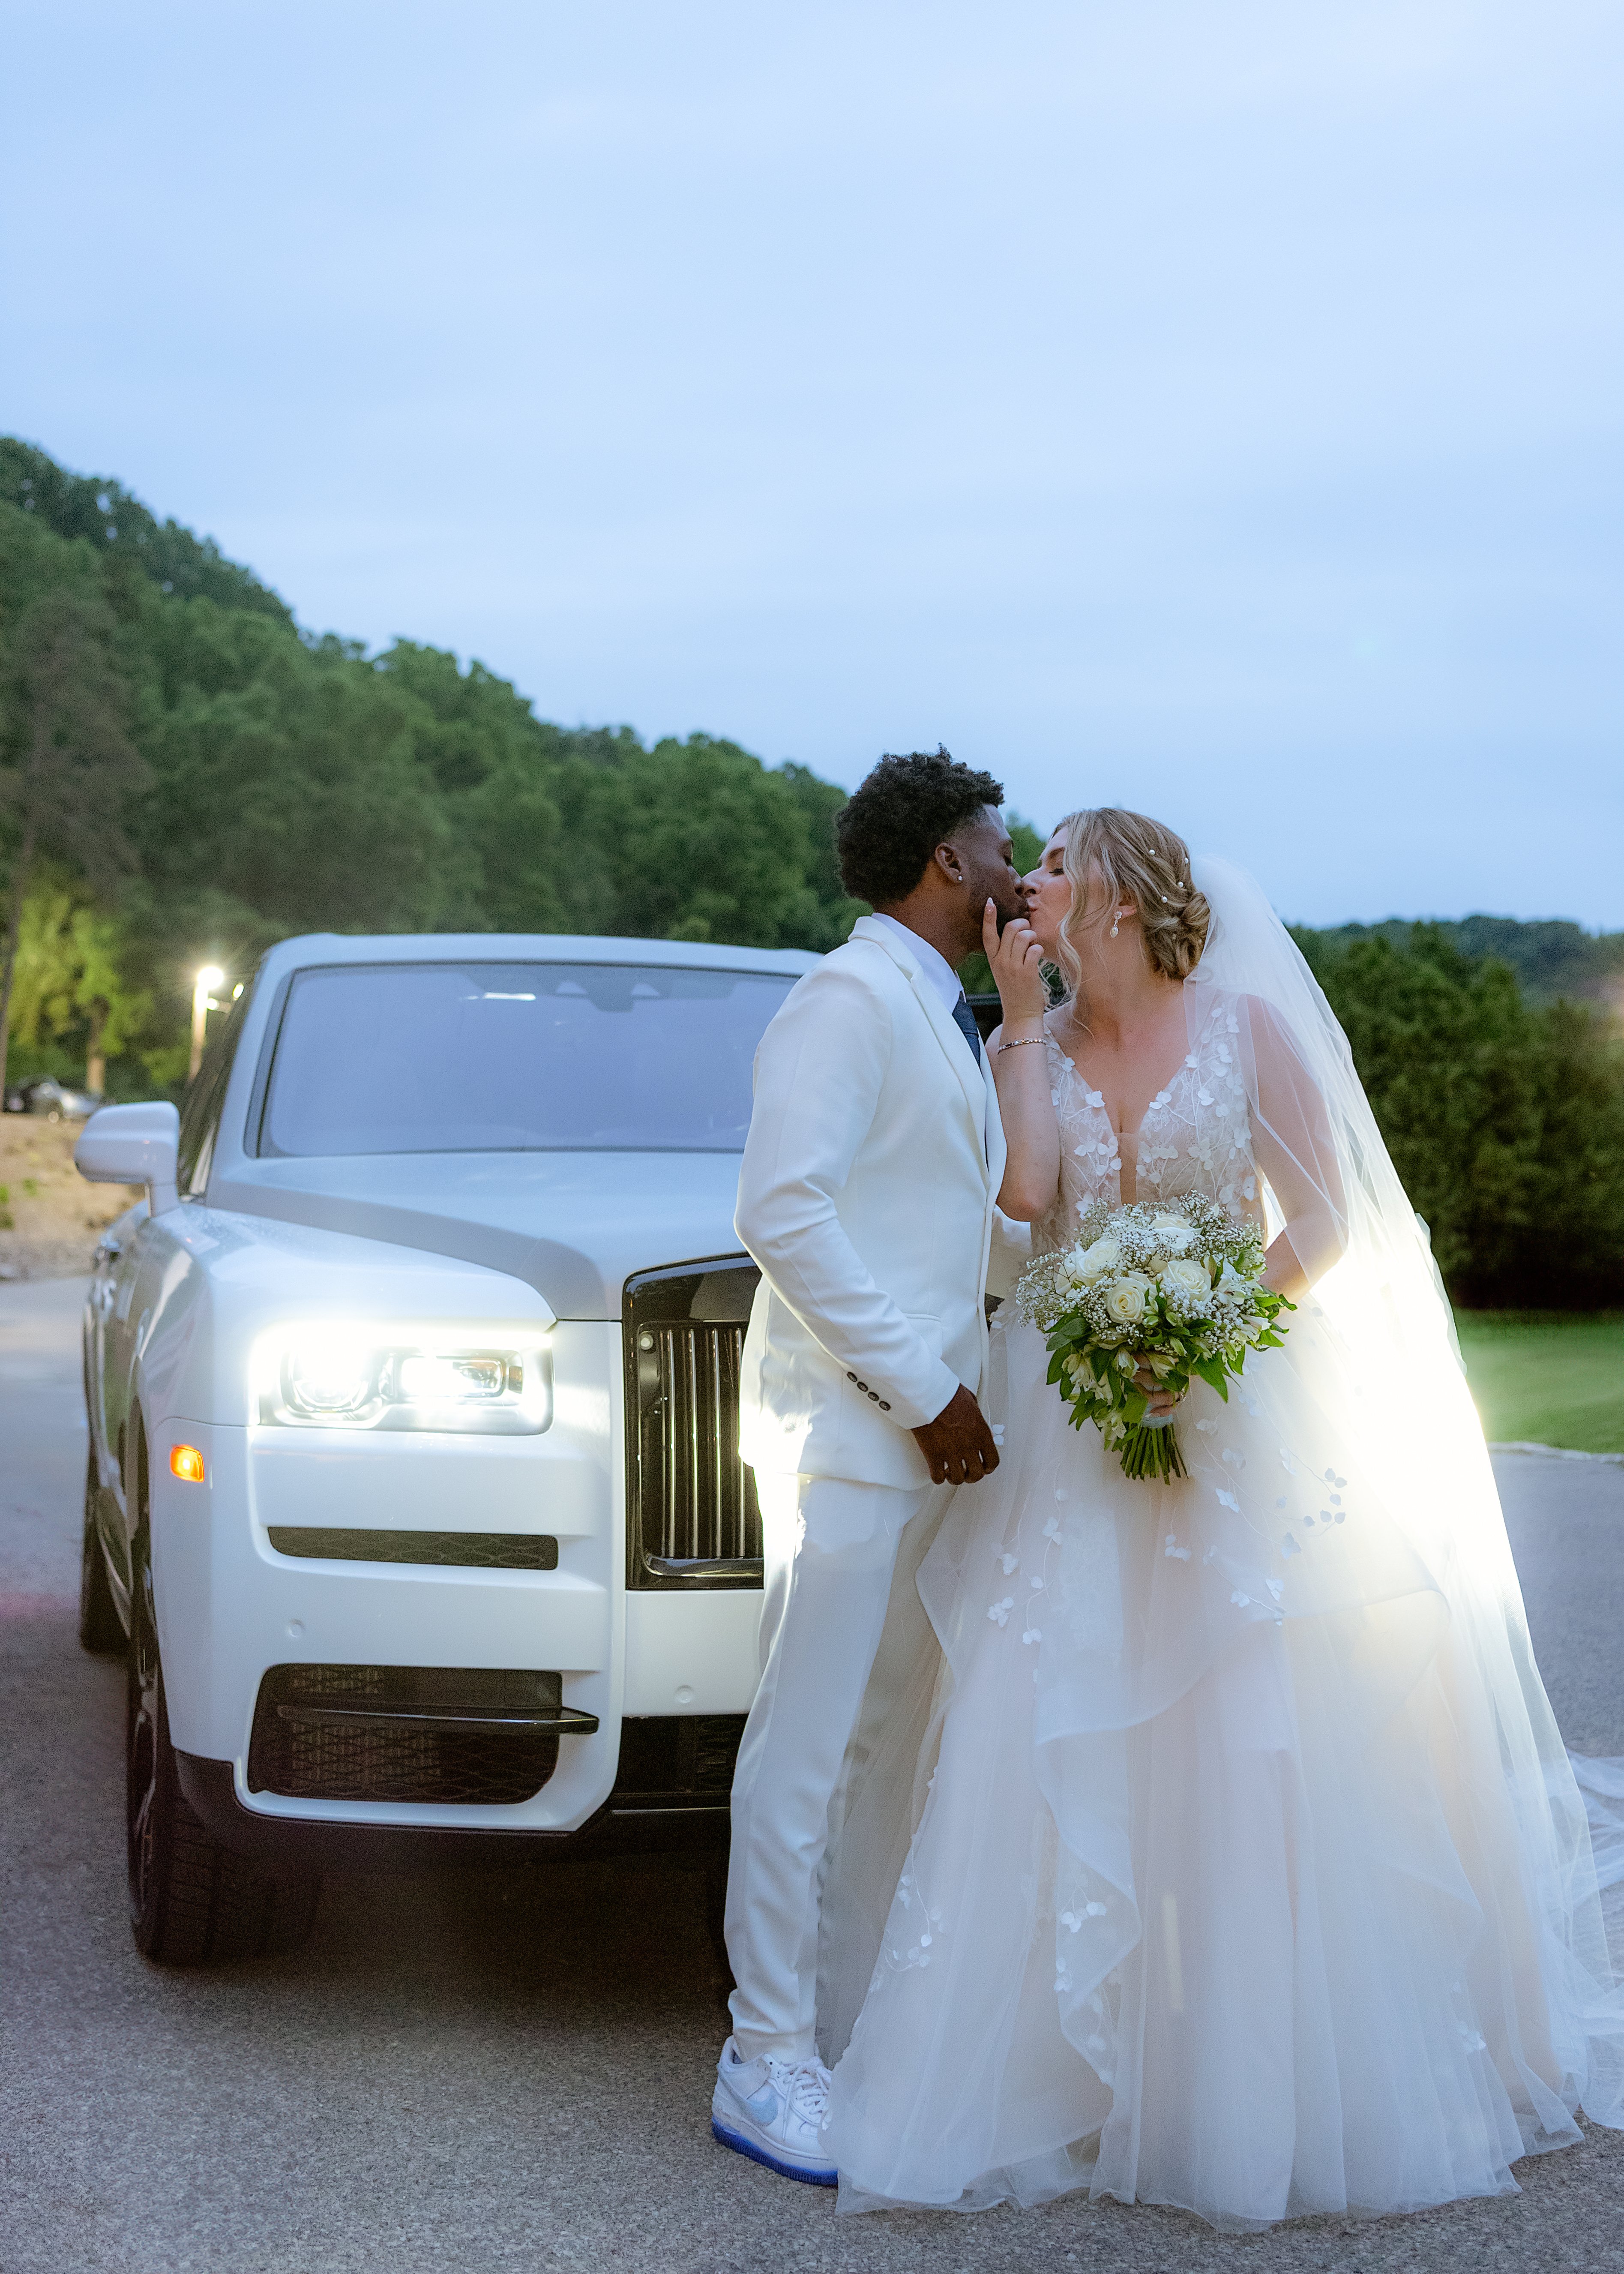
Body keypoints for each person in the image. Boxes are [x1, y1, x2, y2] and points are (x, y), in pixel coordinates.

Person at [819, 807, 1624, 2225]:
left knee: (1247, 1728)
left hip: (1237, 1407)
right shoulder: (1045, 1045)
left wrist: (1204, 1329)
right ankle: (1076, 2073)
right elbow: (1025, 1197)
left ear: (1120, 893)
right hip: (1077, 1428)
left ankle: (1248, 2078)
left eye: (1057, 861)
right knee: (1072, 1718)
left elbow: (1320, 1225)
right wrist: (1013, 1022)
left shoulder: (1248, 1027)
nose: (1033, 884)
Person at [711, 748, 1031, 2183]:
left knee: (884, 1744)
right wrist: (920, 1391)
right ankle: (761, 2054)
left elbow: (951, 1214)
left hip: (925, 1440)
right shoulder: (845, 1000)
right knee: (804, 1745)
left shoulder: (944, 1013)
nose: (1015, 876)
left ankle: (837, 2034)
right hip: (852, 1436)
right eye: (998, 848)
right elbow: (780, 1204)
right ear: (948, 858)